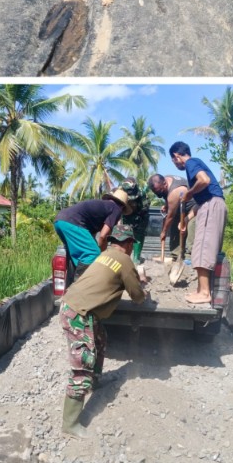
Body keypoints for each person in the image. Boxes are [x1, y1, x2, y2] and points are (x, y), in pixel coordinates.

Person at [59, 224, 148, 438]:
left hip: (77, 306)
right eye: (130, 245)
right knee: (83, 364)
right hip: (79, 314)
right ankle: (69, 425)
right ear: (127, 244)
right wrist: (143, 287)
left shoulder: (104, 254)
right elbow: (137, 296)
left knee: (100, 339)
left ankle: (96, 382)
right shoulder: (125, 260)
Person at [168, 142, 226, 304]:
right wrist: (186, 219)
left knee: (203, 248)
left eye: (173, 160)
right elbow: (201, 202)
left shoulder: (191, 163)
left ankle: (205, 293)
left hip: (212, 206)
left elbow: (204, 180)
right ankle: (201, 290)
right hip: (208, 205)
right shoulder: (195, 166)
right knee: (200, 247)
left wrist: (189, 193)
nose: (175, 163)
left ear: (176, 156)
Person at [53, 191, 133, 281]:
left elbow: (93, 236)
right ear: (122, 206)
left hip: (59, 221)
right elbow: (103, 236)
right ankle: (81, 285)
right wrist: (102, 256)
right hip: (72, 223)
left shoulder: (103, 207)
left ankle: (70, 286)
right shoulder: (116, 209)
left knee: (75, 257)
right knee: (92, 254)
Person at [148, 172, 198, 274]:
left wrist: (163, 232)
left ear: (164, 184)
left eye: (160, 191)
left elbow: (169, 217)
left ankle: (189, 259)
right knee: (175, 231)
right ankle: (176, 257)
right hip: (179, 207)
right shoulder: (165, 180)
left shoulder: (175, 191)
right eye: (155, 192)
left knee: (190, 229)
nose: (158, 194)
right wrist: (167, 205)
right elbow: (167, 196)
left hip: (194, 208)